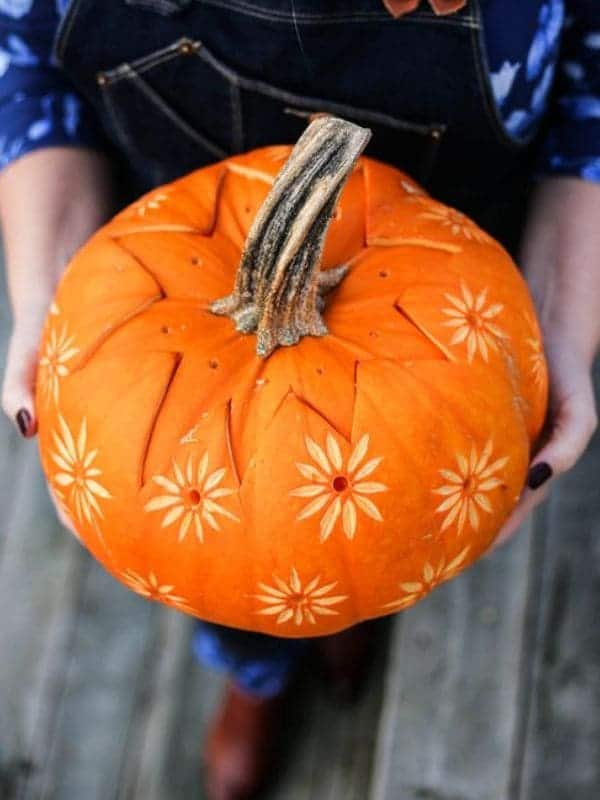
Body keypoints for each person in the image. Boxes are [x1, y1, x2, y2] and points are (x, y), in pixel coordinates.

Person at [1, 1, 599, 798]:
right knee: (229, 553)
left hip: (445, 282)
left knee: (385, 524)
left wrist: (563, 315)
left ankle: (351, 617)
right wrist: (48, 288)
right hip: (171, 270)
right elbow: (26, 51)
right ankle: (255, 671)